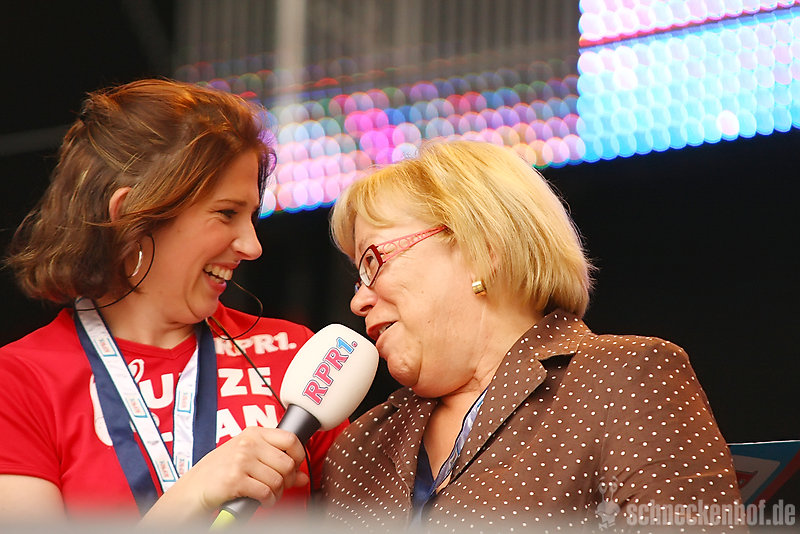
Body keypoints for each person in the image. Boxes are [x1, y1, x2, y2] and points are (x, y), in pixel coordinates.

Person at [321, 140, 743, 531]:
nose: (358, 301)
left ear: (481, 249)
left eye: (372, 262)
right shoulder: (357, 448)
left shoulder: (624, 379)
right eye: (358, 277)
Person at [0, 79, 346, 525]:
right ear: (130, 215)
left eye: (251, 216)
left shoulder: (296, 354)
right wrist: (192, 496)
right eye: (226, 213)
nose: (252, 246)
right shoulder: (18, 382)